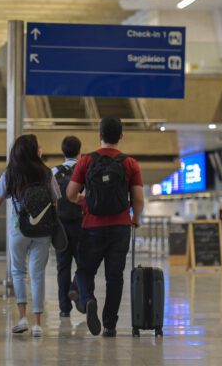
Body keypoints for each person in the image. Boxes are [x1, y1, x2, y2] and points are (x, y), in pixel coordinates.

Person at [0, 134, 60, 337]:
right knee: (38, 275)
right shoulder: (46, 172)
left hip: (18, 228)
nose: (41, 148)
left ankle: (22, 318)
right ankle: (37, 324)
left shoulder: (10, 173)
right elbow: (55, 201)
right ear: (33, 150)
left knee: (18, 272)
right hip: (42, 230)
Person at [66, 116, 144, 337]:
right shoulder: (130, 163)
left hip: (92, 227)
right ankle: (110, 324)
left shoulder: (87, 161)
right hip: (120, 227)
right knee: (115, 277)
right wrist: (136, 218)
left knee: (84, 270)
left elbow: (70, 194)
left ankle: (89, 299)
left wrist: (83, 200)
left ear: (99, 135)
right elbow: (138, 198)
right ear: (121, 136)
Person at [51, 136, 84, 318]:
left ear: (63, 151)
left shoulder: (53, 172)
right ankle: (75, 288)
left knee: (62, 267)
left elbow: (51, 199)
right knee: (84, 264)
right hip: (81, 224)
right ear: (80, 150)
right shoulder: (84, 170)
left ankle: (64, 309)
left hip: (60, 226)